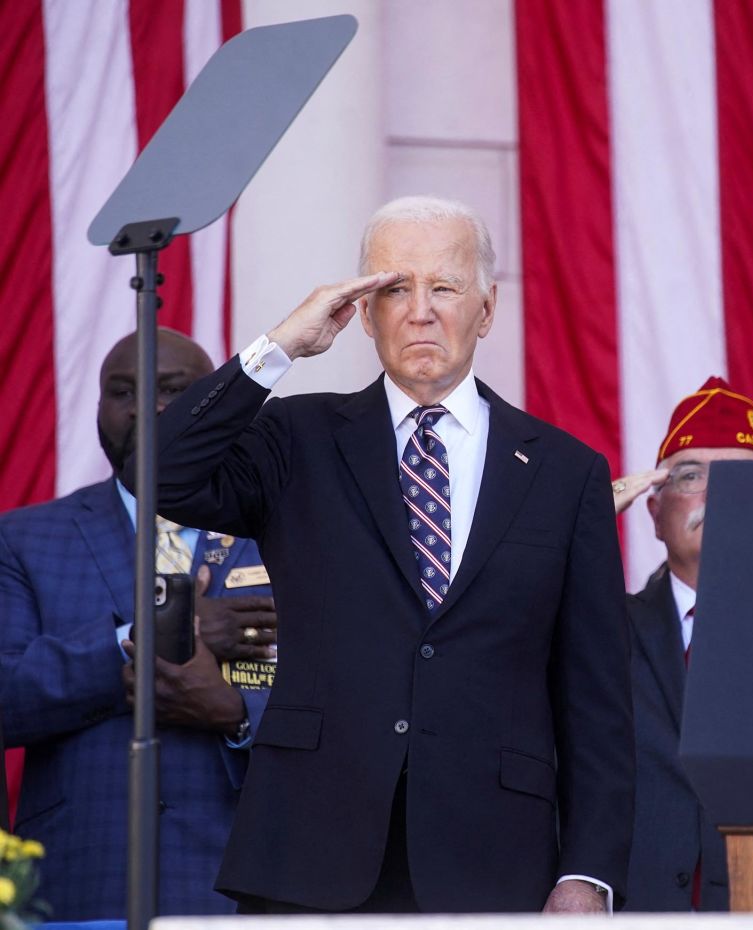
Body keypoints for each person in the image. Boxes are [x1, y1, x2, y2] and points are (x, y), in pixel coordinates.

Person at [136, 196, 633, 913]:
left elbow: (597, 704)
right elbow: (163, 470)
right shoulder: (296, 439)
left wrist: (587, 871)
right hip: (310, 852)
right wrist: (279, 347)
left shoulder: (564, 471)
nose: (420, 310)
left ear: (487, 309)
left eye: (445, 287)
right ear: (363, 314)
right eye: (395, 288)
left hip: (492, 862)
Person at [0, 329, 277, 919]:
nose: (146, 408)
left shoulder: (286, 538)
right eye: (121, 391)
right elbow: (6, 695)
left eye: (173, 390)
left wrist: (234, 716)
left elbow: (345, 705)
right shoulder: (24, 539)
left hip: (245, 885)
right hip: (81, 882)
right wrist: (141, 639)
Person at [615, 376, 753, 911]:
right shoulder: (603, 631)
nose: (717, 493)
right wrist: (575, 524)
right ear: (655, 513)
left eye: (740, 477)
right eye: (691, 475)